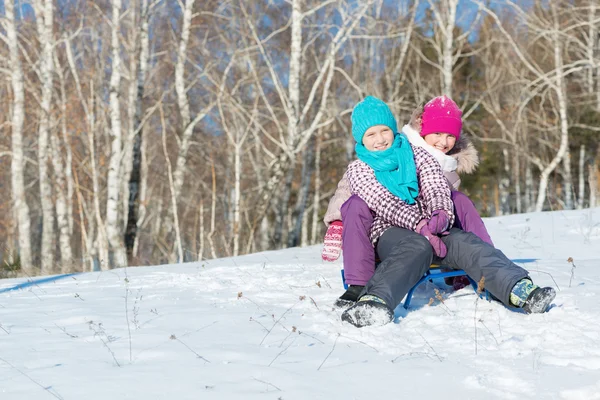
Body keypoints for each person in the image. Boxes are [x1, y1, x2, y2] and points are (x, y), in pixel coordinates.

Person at [333, 96, 555, 327]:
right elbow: (383, 202)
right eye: (371, 134)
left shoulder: (417, 154)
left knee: (465, 242)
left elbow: (435, 184)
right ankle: (374, 301)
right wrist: (421, 227)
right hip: (390, 231)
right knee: (416, 245)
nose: (380, 139)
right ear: (361, 138)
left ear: (393, 129)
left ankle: (520, 290)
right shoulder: (359, 169)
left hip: (433, 227)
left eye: (384, 131)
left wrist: (440, 215)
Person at [322, 96, 493, 306]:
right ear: (422, 132)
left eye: (450, 136)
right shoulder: (401, 148)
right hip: (391, 225)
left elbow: (441, 196)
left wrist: (438, 215)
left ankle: (486, 264)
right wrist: (336, 219)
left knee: (459, 200)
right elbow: (347, 189)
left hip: (430, 225)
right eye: (437, 133)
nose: (443, 141)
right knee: (356, 203)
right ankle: (359, 283)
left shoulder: (449, 162)